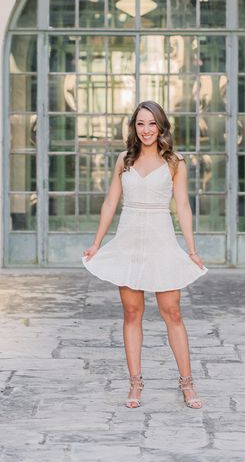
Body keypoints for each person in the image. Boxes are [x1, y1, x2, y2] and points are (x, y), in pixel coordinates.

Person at [81, 100, 208, 409]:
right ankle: (135, 383)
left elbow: (182, 206)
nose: (146, 129)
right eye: (140, 123)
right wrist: (97, 243)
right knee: (132, 313)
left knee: (172, 312)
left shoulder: (175, 162)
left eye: (152, 123)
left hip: (161, 240)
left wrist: (190, 249)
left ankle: (187, 383)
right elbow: (111, 202)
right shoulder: (123, 160)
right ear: (134, 128)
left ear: (161, 126)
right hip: (129, 240)